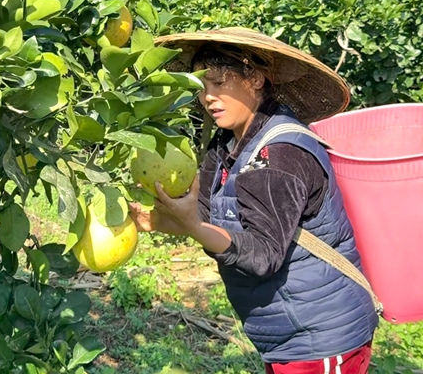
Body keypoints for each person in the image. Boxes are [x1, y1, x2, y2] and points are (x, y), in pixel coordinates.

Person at [128, 28, 379, 374]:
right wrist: (152, 220)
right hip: (286, 335)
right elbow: (204, 217)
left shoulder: (281, 155)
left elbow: (262, 255)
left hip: (320, 338)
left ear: (256, 79)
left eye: (219, 83)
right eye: (201, 86)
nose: (207, 97)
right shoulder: (226, 144)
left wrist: (193, 226)